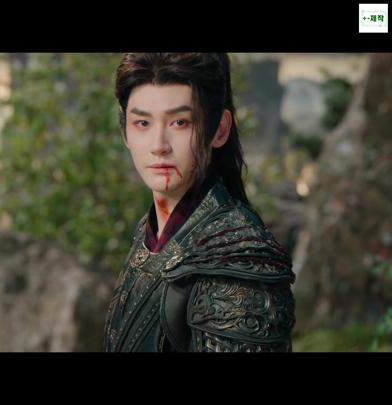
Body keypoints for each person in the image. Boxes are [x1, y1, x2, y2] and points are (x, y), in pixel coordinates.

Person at [103, 53, 295, 352]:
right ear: (124, 130)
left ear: (219, 129)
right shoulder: (149, 232)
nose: (158, 146)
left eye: (180, 122)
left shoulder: (237, 263)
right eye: (142, 123)